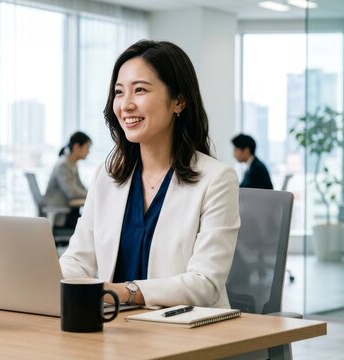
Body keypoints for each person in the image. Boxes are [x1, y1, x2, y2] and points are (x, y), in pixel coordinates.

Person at [59, 40, 240, 308]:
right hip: (118, 329)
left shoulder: (216, 179)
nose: (126, 105)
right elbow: (78, 260)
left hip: (186, 334)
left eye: (140, 90)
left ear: (178, 100)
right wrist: (43, 280)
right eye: (119, 93)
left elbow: (205, 283)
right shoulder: (107, 176)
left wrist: (122, 292)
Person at [43, 131, 91, 229]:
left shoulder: (72, 164)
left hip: (68, 211)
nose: (88, 151)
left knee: (93, 223)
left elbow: (80, 188)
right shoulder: (63, 165)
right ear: (77, 147)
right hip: (61, 215)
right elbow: (72, 192)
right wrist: (92, 195)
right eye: (87, 147)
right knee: (93, 226)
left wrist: (92, 193)